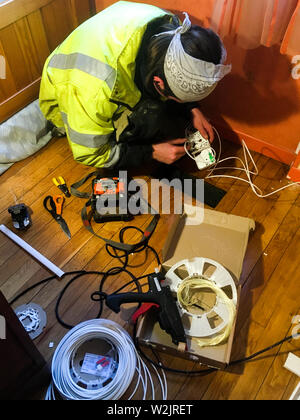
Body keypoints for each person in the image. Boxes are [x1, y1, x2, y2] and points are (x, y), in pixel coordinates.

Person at [39, 1, 231, 170]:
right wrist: (151, 153)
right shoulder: (94, 91)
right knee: (158, 124)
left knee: (173, 121)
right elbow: (91, 153)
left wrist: (193, 108)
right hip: (74, 97)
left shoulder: (175, 34)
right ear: (158, 83)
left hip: (101, 66)